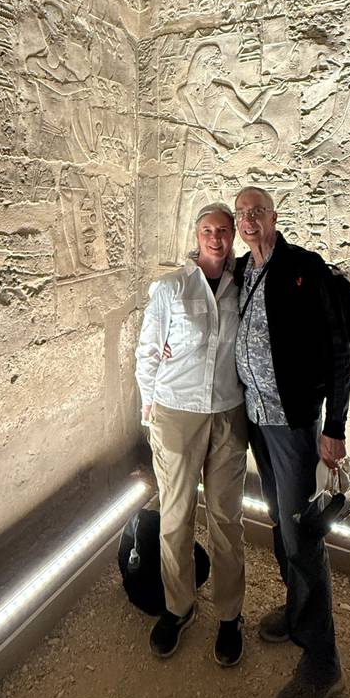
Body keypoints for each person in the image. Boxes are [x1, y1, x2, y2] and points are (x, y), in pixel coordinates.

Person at [233, 185, 350, 698]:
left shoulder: (305, 267)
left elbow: (338, 349)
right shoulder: (241, 272)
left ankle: (322, 662)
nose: (248, 221)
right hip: (257, 421)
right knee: (283, 529)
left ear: (274, 217)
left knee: (302, 536)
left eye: (256, 212)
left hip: (295, 425)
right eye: (240, 214)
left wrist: (335, 427)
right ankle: (296, 609)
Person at [135, 203, 247, 666]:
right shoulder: (170, 288)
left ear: (233, 236)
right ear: (196, 235)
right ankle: (178, 606)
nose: (215, 237)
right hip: (176, 411)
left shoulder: (247, 287)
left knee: (225, 518)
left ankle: (229, 615)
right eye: (207, 230)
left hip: (227, 412)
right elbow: (147, 350)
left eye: (223, 230)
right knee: (176, 515)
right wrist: (150, 407)